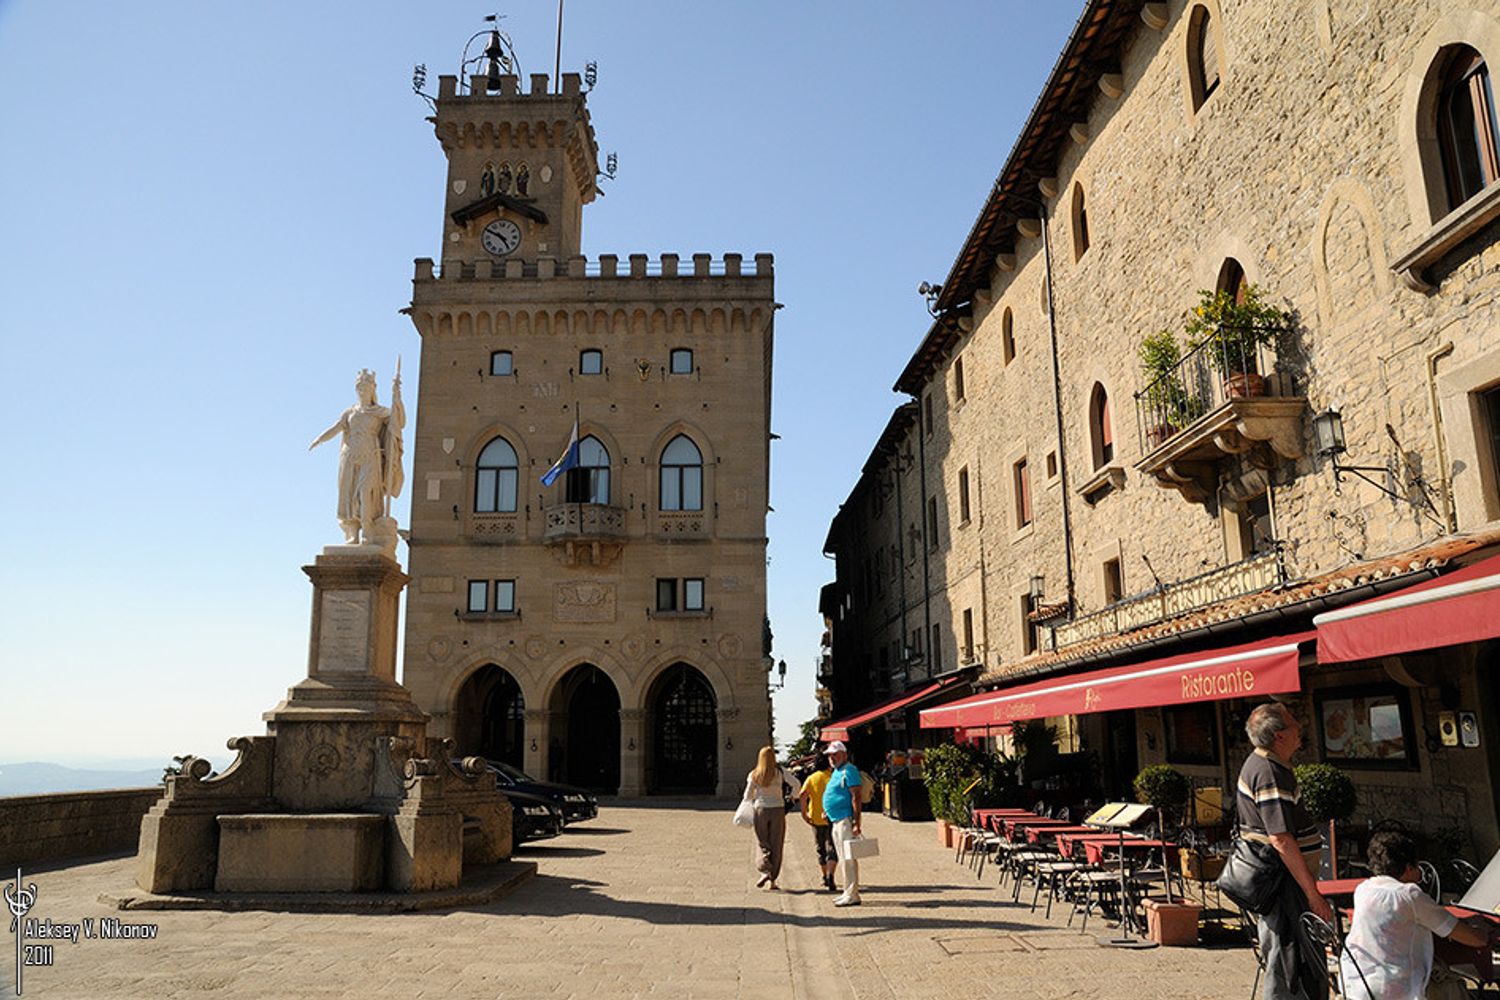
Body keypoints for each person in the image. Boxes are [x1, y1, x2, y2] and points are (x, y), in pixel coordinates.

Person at [1237, 702, 1331, 1000]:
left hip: (1282, 880)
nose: (1300, 727)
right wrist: (1312, 892)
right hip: (1283, 882)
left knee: (1290, 956)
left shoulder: (1266, 765)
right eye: (1293, 723)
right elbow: (1281, 839)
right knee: (1285, 957)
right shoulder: (1268, 772)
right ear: (1279, 735)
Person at [1340, 830, 1496, 1000]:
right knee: (1455, 988)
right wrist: (1483, 931)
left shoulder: (1363, 889)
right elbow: (1472, 938)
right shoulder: (1408, 895)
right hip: (1392, 989)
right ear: (1409, 868)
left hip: (1355, 982)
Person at [309, 367, 405, 549]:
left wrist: (397, 398)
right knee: (348, 496)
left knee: (365, 492)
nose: (362, 391)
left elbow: (398, 421)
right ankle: (353, 533)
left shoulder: (379, 411)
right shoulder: (350, 413)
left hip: (370, 456)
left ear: (372, 389)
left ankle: (367, 531)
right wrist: (320, 439)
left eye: (366, 387)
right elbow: (336, 428)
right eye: (359, 388)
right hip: (350, 456)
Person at [743, 746, 800, 890]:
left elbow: (747, 796)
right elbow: (796, 784)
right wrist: (793, 797)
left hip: (761, 809)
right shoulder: (780, 772)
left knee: (762, 841)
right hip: (778, 809)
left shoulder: (755, 774)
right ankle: (773, 880)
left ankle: (764, 869)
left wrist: (757, 797)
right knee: (777, 842)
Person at [822, 740, 863, 907]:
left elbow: (856, 796)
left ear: (844, 754)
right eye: (830, 755)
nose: (832, 758)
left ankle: (852, 894)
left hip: (845, 819)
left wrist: (856, 822)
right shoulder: (837, 771)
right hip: (836, 819)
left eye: (835, 754)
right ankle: (847, 891)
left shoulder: (849, 770)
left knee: (848, 858)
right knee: (842, 856)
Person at [798, 752, 838, 892]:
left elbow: (802, 795)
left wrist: (804, 813)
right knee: (832, 847)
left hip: (815, 817)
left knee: (820, 848)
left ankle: (824, 876)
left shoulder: (812, 778)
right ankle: (831, 874)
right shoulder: (833, 777)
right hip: (832, 816)